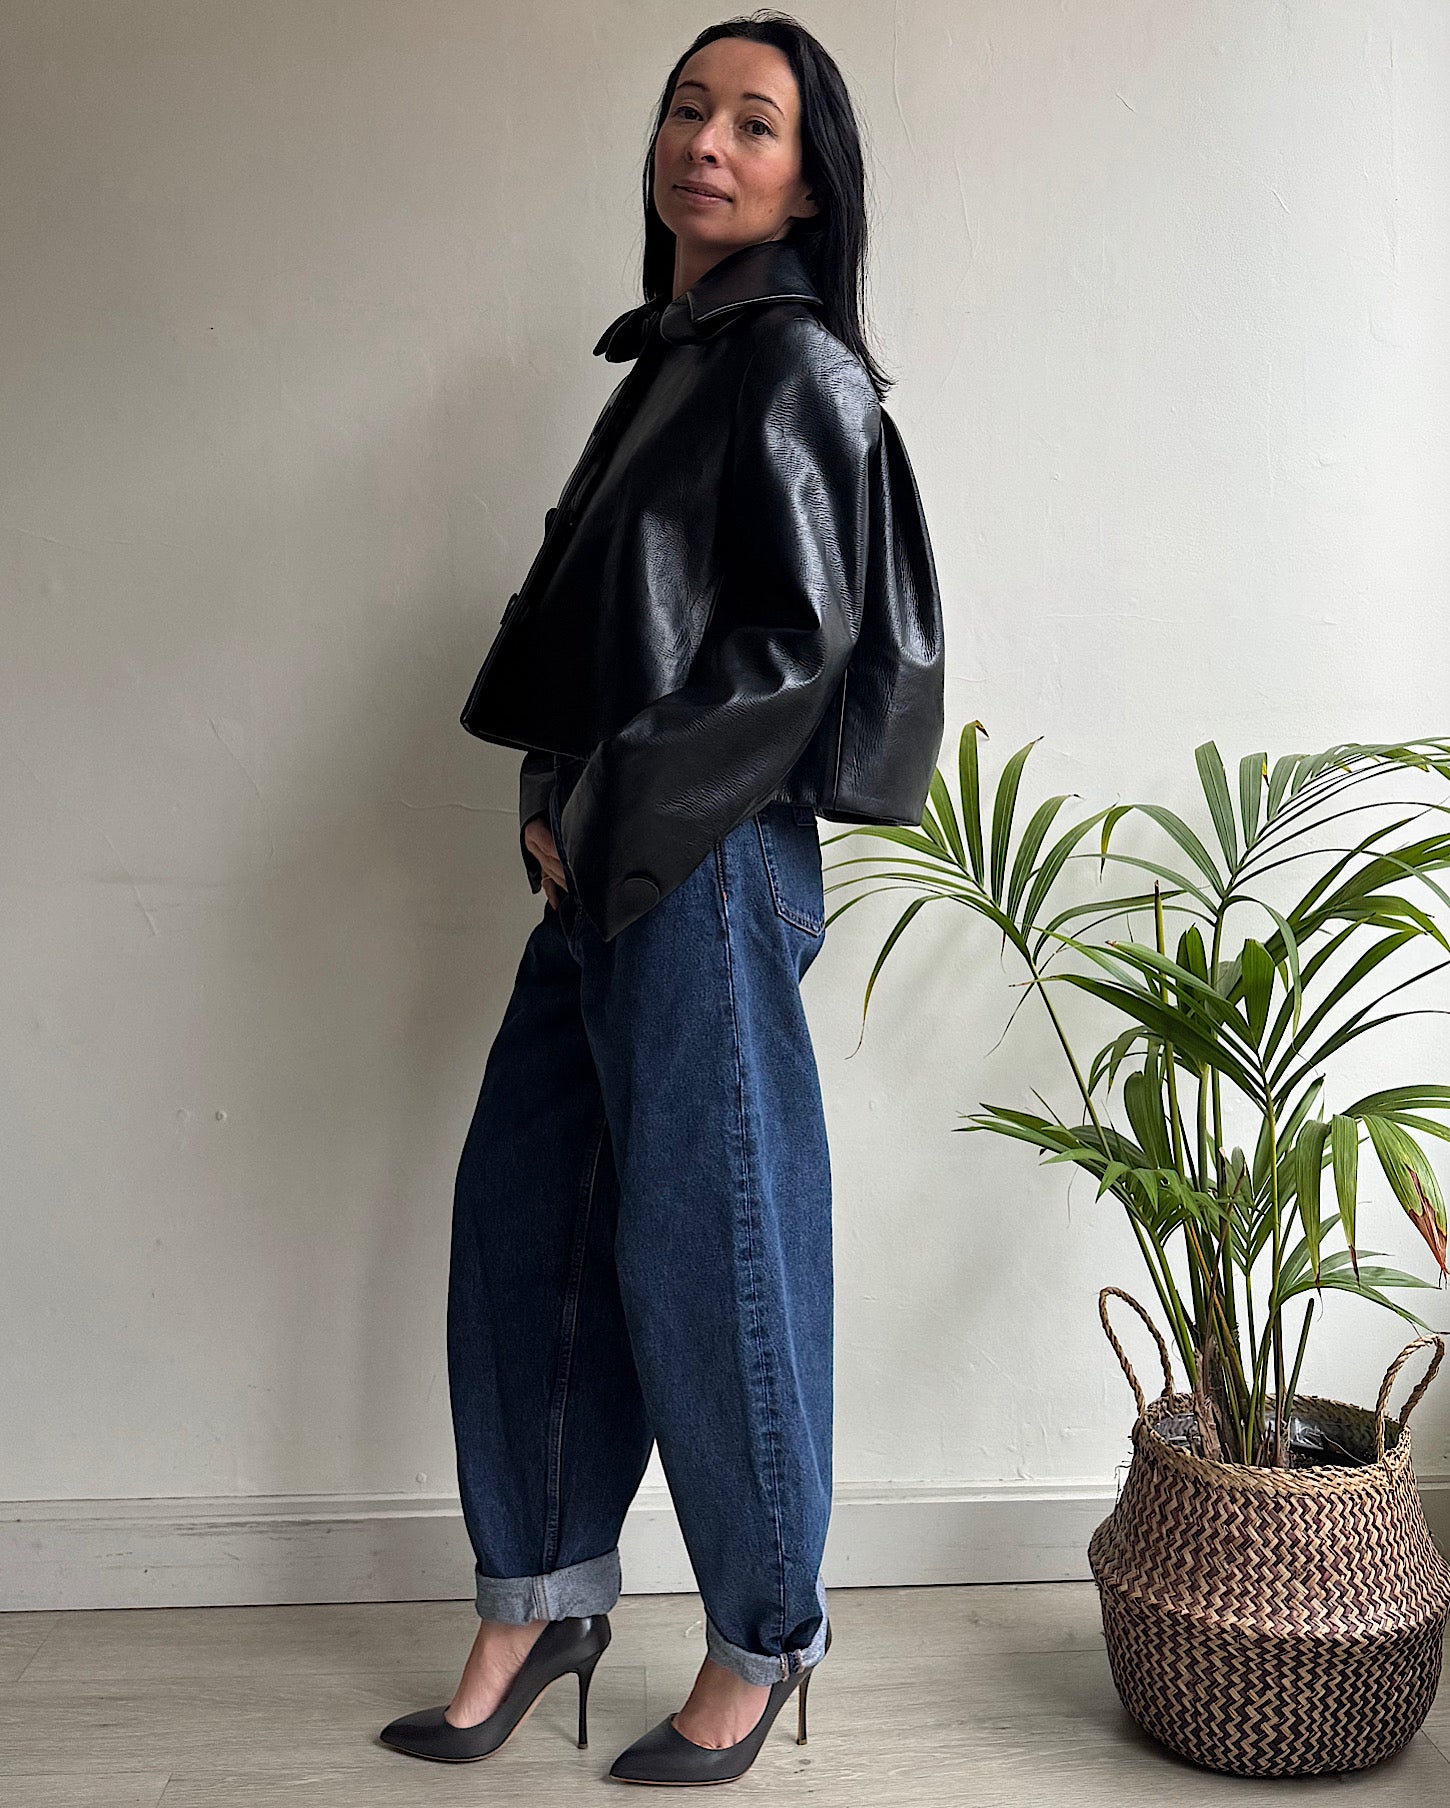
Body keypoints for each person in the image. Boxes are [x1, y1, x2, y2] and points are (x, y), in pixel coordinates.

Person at [380, 11, 944, 1787]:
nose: (706, 141)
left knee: (716, 1254)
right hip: (608, 860)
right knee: (530, 1228)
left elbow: (792, 651)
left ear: (807, 180)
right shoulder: (674, 369)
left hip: (701, 865)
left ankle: (760, 1642)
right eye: (687, 109)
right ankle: (538, 1603)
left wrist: (604, 804)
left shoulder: (795, 370)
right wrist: (549, 801)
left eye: (753, 122)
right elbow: (595, 647)